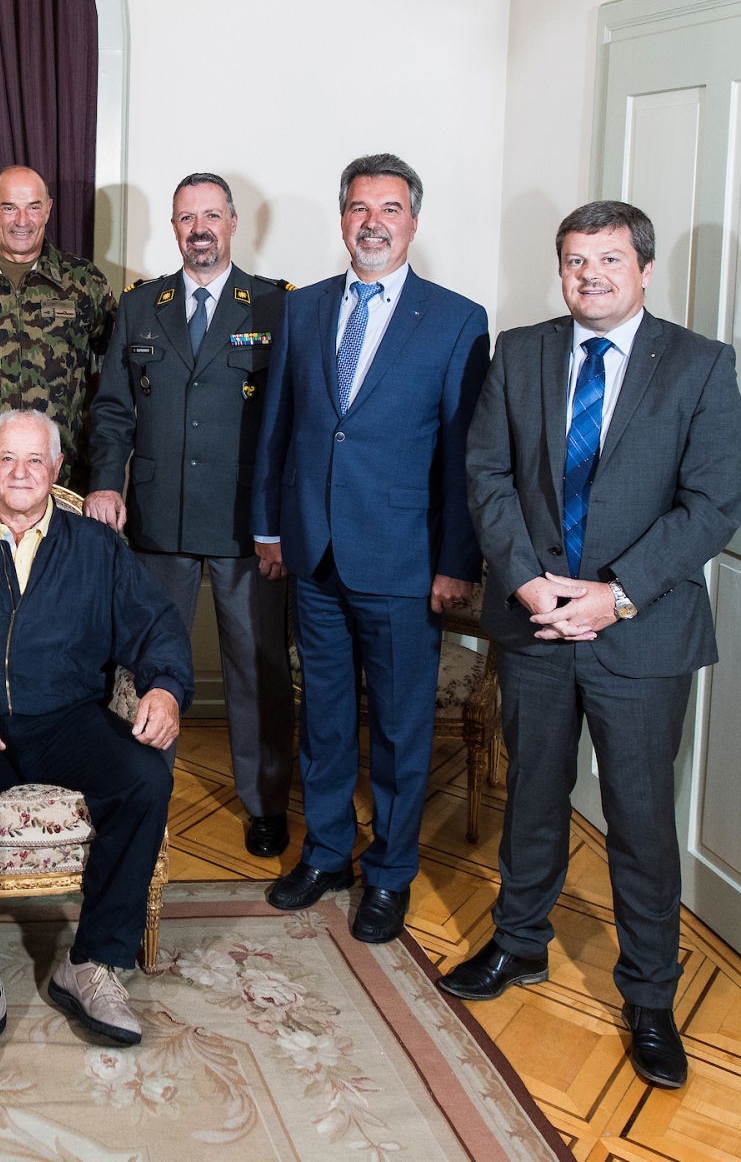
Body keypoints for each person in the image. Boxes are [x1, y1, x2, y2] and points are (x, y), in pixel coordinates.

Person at [447, 201, 741, 1090]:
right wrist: (531, 581)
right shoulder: (523, 349)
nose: (591, 276)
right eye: (576, 260)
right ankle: (520, 945)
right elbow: (486, 472)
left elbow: (713, 505)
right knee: (529, 793)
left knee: (642, 822)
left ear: (645, 269)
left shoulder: (698, 365)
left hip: (641, 632)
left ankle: (651, 996)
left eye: (610, 260)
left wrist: (613, 596)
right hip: (536, 617)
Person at [0, 409, 193, 1087]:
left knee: (145, 778)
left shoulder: (97, 547)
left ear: (57, 471)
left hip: (68, 719)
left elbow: (155, 625)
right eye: (8, 459)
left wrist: (167, 689)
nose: (21, 473)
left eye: (36, 460)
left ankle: (90, 962)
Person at [250, 154, 490, 944]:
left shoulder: (457, 320)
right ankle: (325, 852)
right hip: (314, 552)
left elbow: (464, 454)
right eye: (359, 207)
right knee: (323, 715)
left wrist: (458, 562)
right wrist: (270, 527)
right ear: (343, 216)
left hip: (404, 559)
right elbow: (278, 428)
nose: (373, 221)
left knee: (396, 726)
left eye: (390, 208)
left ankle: (389, 872)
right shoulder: (305, 308)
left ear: (413, 221)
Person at [87, 172, 296, 857]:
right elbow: (114, 410)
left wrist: (280, 517)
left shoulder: (273, 306)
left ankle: (265, 802)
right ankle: (151, 790)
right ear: (174, 229)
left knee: (257, 665)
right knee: (157, 665)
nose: (199, 228)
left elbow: (290, 418)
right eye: (186, 218)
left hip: (247, 523)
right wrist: (105, 483)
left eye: (211, 216)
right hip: (158, 517)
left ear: (234, 223)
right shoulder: (142, 306)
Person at [0, 166, 115, 489]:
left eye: (33, 206)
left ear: (48, 209)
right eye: (9, 207)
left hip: (62, 472)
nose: (22, 220)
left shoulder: (85, 283)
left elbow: (115, 373)